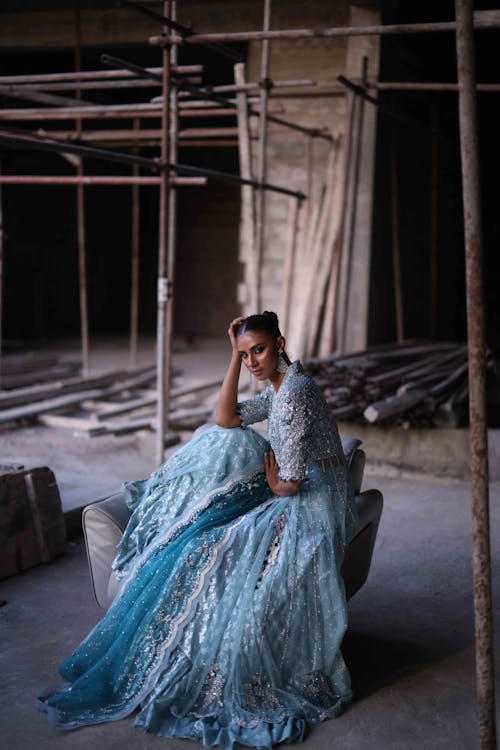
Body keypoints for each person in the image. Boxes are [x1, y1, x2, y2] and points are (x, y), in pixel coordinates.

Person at [38, 311, 358, 749]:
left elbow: (291, 483)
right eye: (245, 355)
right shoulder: (280, 386)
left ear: (280, 343)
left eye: (259, 350)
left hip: (314, 500)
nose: (252, 362)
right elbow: (226, 417)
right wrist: (232, 355)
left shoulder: (296, 393)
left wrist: (274, 484)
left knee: (222, 547)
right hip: (299, 487)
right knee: (221, 442)